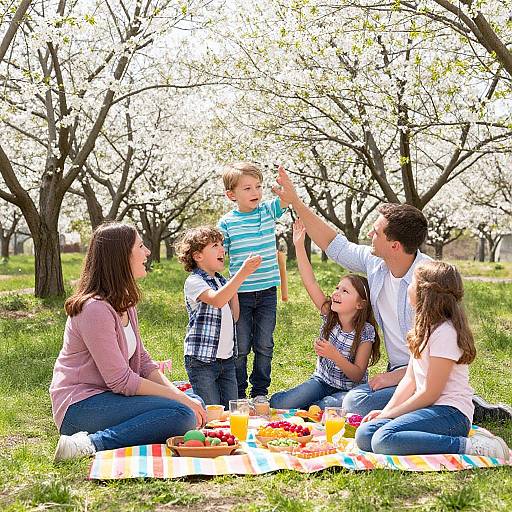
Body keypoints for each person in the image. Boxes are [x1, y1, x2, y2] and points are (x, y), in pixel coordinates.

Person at [273, 167, 512, 422]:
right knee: (351, 402)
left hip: (424, 374)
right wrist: (296, 202)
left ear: (394, 246)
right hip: (399, 373)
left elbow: (438, 353)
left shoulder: (429, 283)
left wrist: (393, 378)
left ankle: (465, 406)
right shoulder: (376, 263)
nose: (369, 236)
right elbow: (335, 246)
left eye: (375, 232)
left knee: (354, 403)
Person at [50, 222, 207, 462]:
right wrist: (178, 399)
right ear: (120, 256)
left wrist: (179, 394)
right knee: (181, 414)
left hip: (110, 397)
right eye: (141, 246)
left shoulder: (124, 301)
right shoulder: (94, 309)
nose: (147, 252)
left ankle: (175, 410)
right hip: (80, 407)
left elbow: (143, 362)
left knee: (192, 397)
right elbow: (121, 381)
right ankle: (87, 444)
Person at [355, 261, 510, 460]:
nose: (408, 287)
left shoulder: (445, 333)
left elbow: (430, 393)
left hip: (451, 414)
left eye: (412, 283)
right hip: (427, 409)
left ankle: (470, 446)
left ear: (425, 293)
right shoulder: (422, 330)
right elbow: (409, 381)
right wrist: (385, 412)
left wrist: (389, 416)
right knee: (366, 434)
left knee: (383, 439)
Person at [270, 220, 380, 409]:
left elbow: (357, 375)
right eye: (338, 288)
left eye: (345, 291)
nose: (336, 293)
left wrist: (334, 355)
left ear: (361, 304)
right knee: (279, 403)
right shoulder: (330, 314)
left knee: (326, 407)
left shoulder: (365, 332)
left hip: (348, 390)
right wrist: (298, 245)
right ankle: (308, 404)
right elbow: (310, 282)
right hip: (321, 381)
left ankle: (316, 406)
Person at [218, 162, 289, 400]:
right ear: (231, 195)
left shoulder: (268, 211)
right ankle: (238, 393)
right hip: (240, 294)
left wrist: (283, 184)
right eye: (247, 188)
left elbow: (287, 200)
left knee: (264, 344)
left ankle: (260, 391)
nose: (256, 193)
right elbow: (220, 256)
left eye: (258, 187)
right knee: (240, 346)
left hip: (267, 292)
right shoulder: (226, 223)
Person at [175, 226, 262, 408]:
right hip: (202, 360)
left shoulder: (221, 281)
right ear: (198, 256)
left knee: (230, 410)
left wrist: (234, 286)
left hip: (226, 360)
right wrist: (241, 275)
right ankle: (185, 399)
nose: (222, 249)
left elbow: (235, 316)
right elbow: (217, 300)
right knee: (210, 410)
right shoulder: (194, 281)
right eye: (215, 245)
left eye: (222, 244)